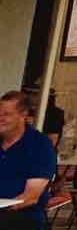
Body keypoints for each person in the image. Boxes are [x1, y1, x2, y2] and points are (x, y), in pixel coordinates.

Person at [0, 91, 56, 230]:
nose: (0, 118)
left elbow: (30, 197)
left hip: (22, 218)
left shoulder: (40, 145)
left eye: (6, 114)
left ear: (23, 115)